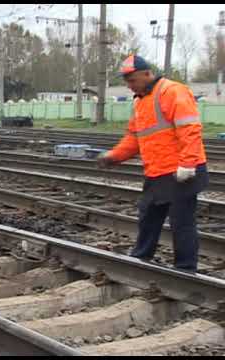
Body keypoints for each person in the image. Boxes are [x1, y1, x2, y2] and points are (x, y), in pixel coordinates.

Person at [97, 54, 208, 273]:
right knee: (148, 216)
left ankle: (185, 270)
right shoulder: (140, 102)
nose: (129, 86)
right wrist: (114, 156)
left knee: (181, 222)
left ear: (147, 74)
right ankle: (141, 260)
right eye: (127, 81)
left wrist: (187, 164)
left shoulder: (172, 91)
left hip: (181, 171)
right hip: (157, 172)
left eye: (132, 80)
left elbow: (190, 129)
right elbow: (134, 138)